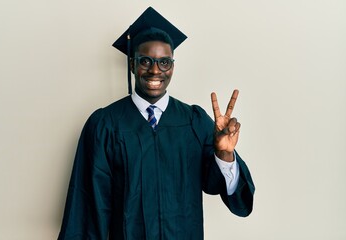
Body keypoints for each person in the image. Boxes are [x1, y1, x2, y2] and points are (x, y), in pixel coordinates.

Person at [58, 7, 255, 240]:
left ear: (172, 66)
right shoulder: (105, 125)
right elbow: (88, 206)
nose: (155, 70)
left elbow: (222, 189)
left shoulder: (193, 121)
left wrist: (223, 155)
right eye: (145, 61)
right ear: (132, 64)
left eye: (164, 62)